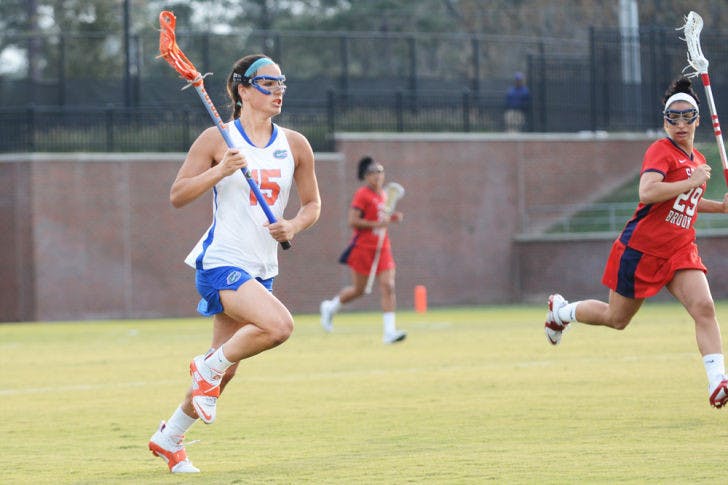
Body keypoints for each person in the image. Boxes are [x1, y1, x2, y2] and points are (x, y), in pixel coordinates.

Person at [148, 54, 321, 473]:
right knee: (279, 327)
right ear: (243, 90)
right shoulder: (217, 138)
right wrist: (222, 169)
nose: (279, 89)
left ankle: (169, 438)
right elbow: (178, 194)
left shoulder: (295, 144)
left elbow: (313, 204)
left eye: (282, 82)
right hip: (222, 260)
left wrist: (293, 225)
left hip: (262, 267)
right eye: (268, 82)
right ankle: (206, 365)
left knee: (223, 376)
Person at [545, 76, 728, 409]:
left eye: (688, 117)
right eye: (674, 118)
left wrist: (719, 205)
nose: (681, 124)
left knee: (704, 308)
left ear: (698, 120)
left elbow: (685, 200)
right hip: (641, 250)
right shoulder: (661, 151)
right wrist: (692, 180)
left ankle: (717, 382)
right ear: (665, 122)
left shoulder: (699, 161)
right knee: (617, 319)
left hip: (679, 250)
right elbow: (648, 192)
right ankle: (562, 311)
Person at [319, 156, 407, 344]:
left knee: (388, 286)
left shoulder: (383, 196)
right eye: (372, 172)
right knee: (359, 290)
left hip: (382, 247)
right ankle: (330, 307)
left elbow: (381, 221)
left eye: (380, 171)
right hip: (363, 247)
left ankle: (389, 332)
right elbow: (353, 221)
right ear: (366, 176)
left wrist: (392, 219)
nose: (377, 175)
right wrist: (379, 222)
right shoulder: (362, 195)